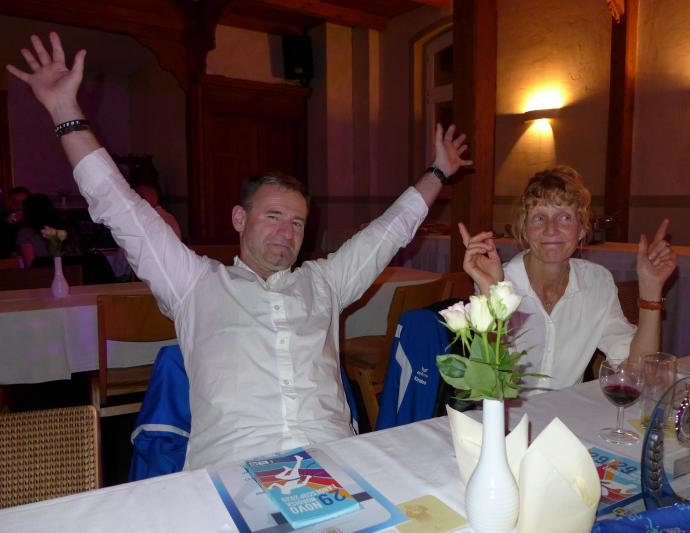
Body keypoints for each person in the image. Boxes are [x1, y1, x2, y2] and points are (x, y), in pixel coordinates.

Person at [7, 32, 472, 469]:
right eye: (273, 216)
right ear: (239, 219)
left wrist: (438, 172)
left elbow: (387, 232)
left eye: (297, 222)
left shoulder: (325, 283)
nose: (286, 232)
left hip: (334, 461)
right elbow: (119, 205)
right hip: (233, 470)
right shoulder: (193, 283)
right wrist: (65, 111)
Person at [459, 165, 677, 394]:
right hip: (503, 412)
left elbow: (639, 371)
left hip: (566, 413)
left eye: (564, 217)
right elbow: (487, 383)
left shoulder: (597, 282)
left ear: (581, 229)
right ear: (524, 229)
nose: (551, 230)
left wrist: (651, 290)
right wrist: (489, 291)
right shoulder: (499, 282)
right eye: (539, 218)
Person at [0, 186, 30, 258]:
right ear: (9, 202)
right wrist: (7, 225)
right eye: (15, 202)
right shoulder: (2, 218)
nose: (20, 206)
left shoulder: (35, 218)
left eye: (23, 202)